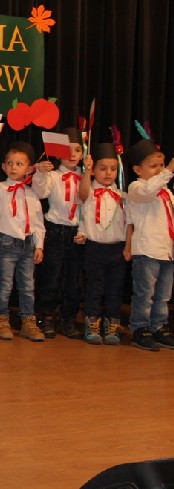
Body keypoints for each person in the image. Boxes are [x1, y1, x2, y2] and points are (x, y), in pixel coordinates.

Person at [0, 142, 46, 341]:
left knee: (27, 285)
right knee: (5, 284)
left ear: (28, 168)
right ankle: (1, 319)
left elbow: (38, 222)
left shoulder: (32, 193)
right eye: (10, 163)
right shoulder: (0, 189)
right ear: (3, 167)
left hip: (28, 244)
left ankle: (28, 321)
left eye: (19, 164)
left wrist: (39, 245)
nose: (14, 167)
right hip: (7, 243)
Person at [32, 128, 85, 339]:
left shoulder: (86, 177)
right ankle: (46, 316)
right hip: (55, 231)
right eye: (67, 149)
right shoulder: (53, 175)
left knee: (73, 281)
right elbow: (40, 192)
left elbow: (89, 207)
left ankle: (68, 318)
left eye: (77, 150)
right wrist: (40, 173)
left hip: (78, 233)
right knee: (51, 278)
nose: (72, 154)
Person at [124, 138, 174, 351]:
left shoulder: (167, 192)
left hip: (166, 251)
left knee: (163, 295)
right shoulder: (137, 188)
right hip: (147, 250)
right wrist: (168, 172)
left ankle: (158, 326)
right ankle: (140, 328)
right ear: (137, 170)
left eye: (161, 165)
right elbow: (147, 192)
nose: (159, 170)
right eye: (153, 166)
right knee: (145, 294)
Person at [76, 144, 127, 346]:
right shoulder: (89, 193)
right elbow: (82, 193)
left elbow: (129, 223)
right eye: (102, 168)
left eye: (113, 169)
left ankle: (112, 325)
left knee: (115, 289)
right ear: (94, 170)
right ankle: (92, 323)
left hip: (117, 248)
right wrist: (86, 170)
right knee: (94, 288)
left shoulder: (122, 196)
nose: (108, 173)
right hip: (95, 248)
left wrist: (128, 247)